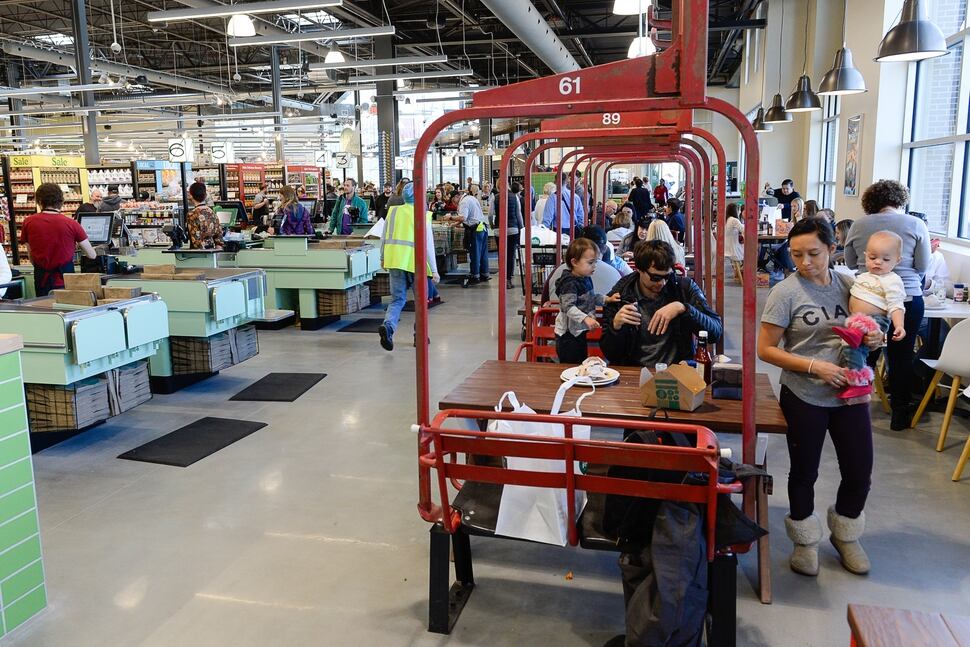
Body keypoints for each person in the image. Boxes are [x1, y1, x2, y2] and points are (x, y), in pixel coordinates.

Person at [758, 217, 883, 577]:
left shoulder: (850, 285)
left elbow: (869, 327)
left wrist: (874, 338)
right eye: (796, 254)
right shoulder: (786, 292)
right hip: (805, 394)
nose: (804, 262)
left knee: (859, 471)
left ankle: (846, 534)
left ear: (832, 248)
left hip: (851, 396)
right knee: (803, 472)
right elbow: (766, 349)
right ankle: (805, 540)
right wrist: (815, 367)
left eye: (813, 253)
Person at [844, 180, 930, 430]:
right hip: (906, 299)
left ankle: (856, 407)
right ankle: (900, 414)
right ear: (901, 200)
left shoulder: (859, 225)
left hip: (866, 299)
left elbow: (850, 262)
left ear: (871, 203)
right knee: (901, 356)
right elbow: (923, 266)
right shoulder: (916, 224)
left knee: (864, 353)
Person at [601, 240, 722, 368]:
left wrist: (684, 308)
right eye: (655, 278)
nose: (662, 283)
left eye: (667, 276)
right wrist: (615, 327)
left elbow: (715, 332)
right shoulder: (620, 294)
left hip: (677, 372)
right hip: (634, 372)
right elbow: (611, 355)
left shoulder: (683, 288)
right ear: (639, 270)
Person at [832, 230, 907, 400]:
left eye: (886, 259)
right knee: (851, 350)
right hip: (855, 322)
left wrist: (899, 325)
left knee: (854, 342)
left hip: (876, 321)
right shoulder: (863, 276)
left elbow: (896, 305)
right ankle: (858, 381)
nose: (878, 262)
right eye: (873, 258)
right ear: (865, 256)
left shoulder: (892, 280)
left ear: (898, 260)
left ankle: (859, 381)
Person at [378, 183, 440, 352]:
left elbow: (383, 237)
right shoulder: (423, 214)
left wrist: (383, 257)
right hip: (416, 263)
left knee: (397, 300)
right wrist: (434, 269)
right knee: (421, 302)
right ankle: (419, 336)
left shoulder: (393, 212)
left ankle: (389, 327)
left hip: (395, 261)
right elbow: (428, 245)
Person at [21, 183, 97, 296]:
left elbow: (31, 255)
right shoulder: (71, 224)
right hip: (65, 279)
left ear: (39, 201)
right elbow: (92, 255)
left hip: (42, 279)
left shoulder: (28, 222)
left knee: (44, 309)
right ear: (61, 201)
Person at [554, 237, 621, 364]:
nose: (594, 266)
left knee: (580, 361)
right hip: (567, 335)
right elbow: (568, 307)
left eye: (595, 262)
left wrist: (608, 299)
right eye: (590, 263)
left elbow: (591, 297)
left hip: (578, 331)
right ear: (574, 262)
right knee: (571, 364)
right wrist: (586, 318)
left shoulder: (584, 278)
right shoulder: (569, 283)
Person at [456, 184, 489, 287]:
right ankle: (484, 273)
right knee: (483, 253)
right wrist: (456, 223)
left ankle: (475, 275)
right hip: (482, 227)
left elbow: (463, 217)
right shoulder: (472, 199)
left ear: (457, 197)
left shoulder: (464, 202)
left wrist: (450, 218)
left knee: (475, 253)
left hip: (475, 230)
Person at [185, 182, 223, 250]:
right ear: (205, 195)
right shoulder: (211, 212)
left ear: (191, 195)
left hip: (199, 255)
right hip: (211, 251)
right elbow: (219, 236)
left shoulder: (192, 214)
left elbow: (195, 239)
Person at [504, 182, 525, 290]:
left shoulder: (496, 197)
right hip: (513, 229)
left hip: (499, 229)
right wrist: (522, 228)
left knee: (502, 255)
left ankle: (503, 277)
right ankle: (509, 277)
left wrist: (494, 225)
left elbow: (490, 214)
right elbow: (518, 215)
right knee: (511, 254)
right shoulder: (515, 198)